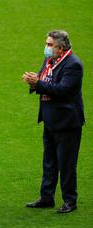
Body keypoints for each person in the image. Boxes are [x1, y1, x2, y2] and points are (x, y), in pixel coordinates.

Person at [22, 30, 84, 213]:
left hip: (67, 122)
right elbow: (44, 79)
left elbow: (63, 90)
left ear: (61, 47)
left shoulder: (73, 65)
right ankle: (47, 197)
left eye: (49, 45)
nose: (46, 48)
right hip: (50, 119)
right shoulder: (50, 61)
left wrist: (38, 84)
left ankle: (70, 201)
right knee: (49, 161)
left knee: (66, 163)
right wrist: (34, 81)